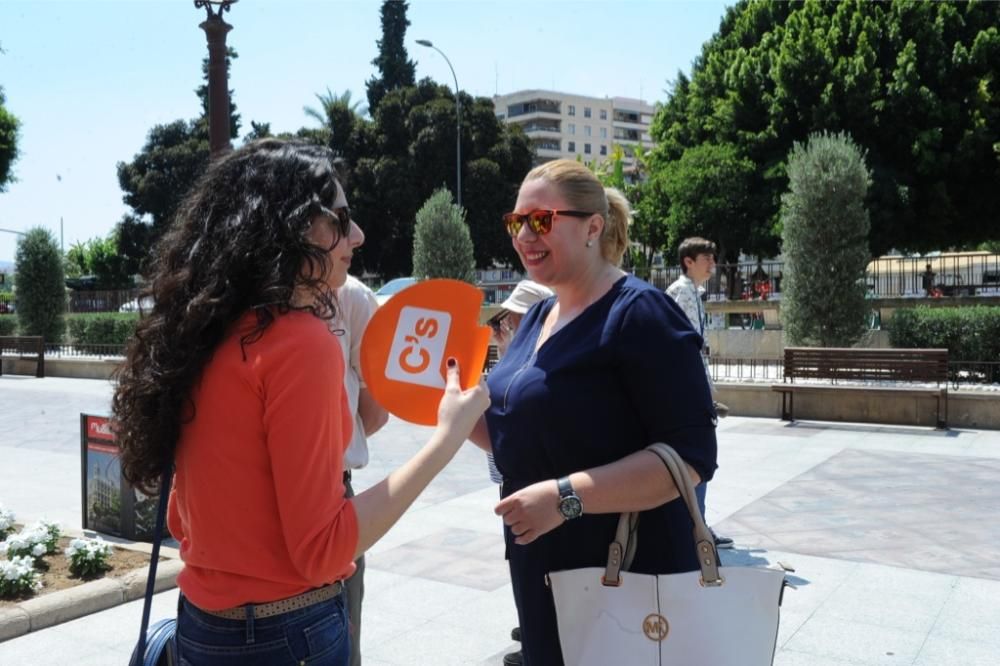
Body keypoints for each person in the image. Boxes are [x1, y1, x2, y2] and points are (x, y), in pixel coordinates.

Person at [112, 139, 488, 666]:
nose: (355, 235)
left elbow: (181, 517)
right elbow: (322, 549)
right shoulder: (302, 343)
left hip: (202, 622)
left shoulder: (203, 329)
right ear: (286, 226)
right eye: (339, 218)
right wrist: (446, 439)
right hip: (285, 634)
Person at [468, 159, 718, 665]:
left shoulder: (641, 313)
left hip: (624, 571)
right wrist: (439, 401)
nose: (524, 236)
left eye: (541, 220)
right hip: (543, 566)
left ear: (593, 227)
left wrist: (564, 499)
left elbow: (690, 458)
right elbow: (516, 435)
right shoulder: (540, 314)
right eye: (516, 222)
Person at [484, 279, 553, 666]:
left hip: (536, 484)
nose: (504, 324)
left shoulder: (539, 356)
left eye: (512, 317)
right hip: (512, 478)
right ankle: (531, 629)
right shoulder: (519, 350)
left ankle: (535, 639)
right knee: (520, 558)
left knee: (533, 561)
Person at [332, 274, 389, 666]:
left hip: (331, 496)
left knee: (339, 646)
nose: (355, 235)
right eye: (338, 220)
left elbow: (374, 411)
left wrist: (323, 448)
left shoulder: (351, 297)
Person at [666, 237, 734, 550]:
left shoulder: (693, 292)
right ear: (688, 262)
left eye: (712, 257)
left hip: (689, 388)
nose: (712, 263)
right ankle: (697, 528)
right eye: (706, 257)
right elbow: (684, 345)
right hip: (687, 391)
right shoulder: (682, 292)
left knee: (697, 459)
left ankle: (698, 525)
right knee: (699, 458)